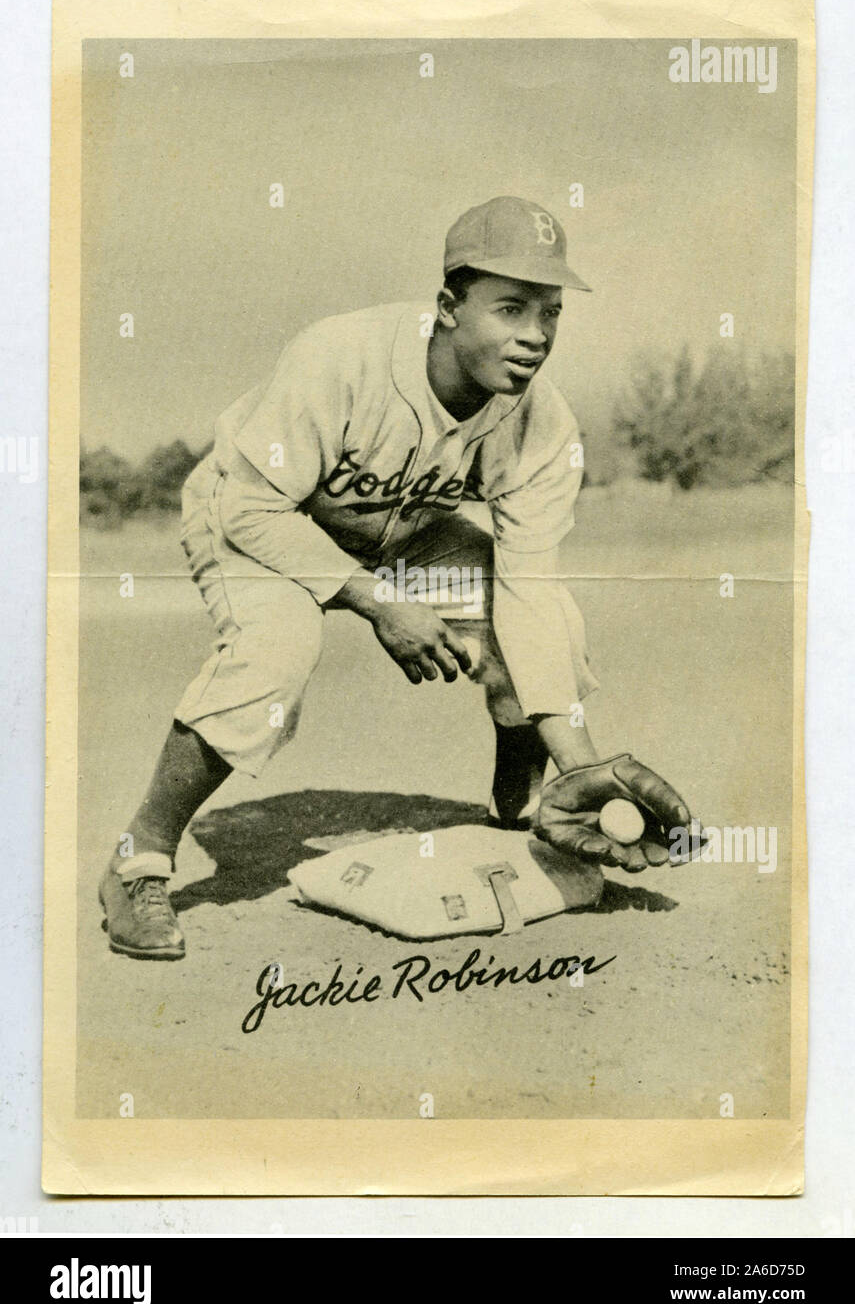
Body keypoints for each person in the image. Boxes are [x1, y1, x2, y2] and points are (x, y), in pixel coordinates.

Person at [99, 195, 692, 961]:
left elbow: (527, 590)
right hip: (258, 517)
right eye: (510, 308)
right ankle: (139, 858)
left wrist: (582, 762)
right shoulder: (340, 357)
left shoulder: (541, 425)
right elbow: (251, 505)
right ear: (448, 307)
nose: (535, 336)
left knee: (539, 621)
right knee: (276, 650)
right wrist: (380, 602)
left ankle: (532, 812)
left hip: (404, 534)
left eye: (548, 313)